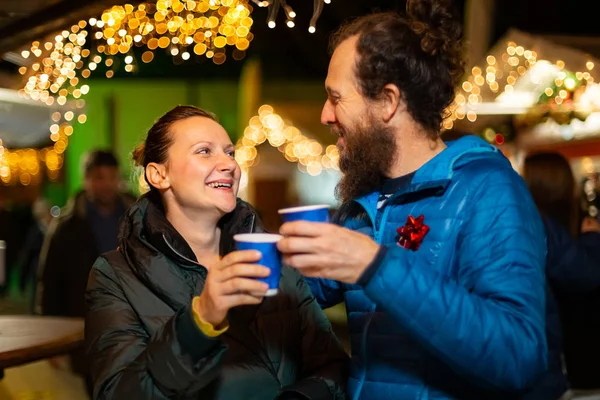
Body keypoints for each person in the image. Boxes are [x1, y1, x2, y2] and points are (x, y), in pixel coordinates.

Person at [277, 2, 549, 399]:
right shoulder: (367, 201)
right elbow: (304, 296)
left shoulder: (488, 190)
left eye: (335, 97)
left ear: (388, 102)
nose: (324, 115)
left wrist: (377, 266)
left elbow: (519, 356)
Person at [85, 105, 348, 399]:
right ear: (159, 175)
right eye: (204, 151)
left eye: (229, 153)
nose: (229, 164)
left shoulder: (273, 260)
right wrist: (200, 322)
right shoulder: (116, 276)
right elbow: (119, 394)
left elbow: (332, 367)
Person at [37, 149, 134, 393]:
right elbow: (50, 281)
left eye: (113, 177)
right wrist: (52, 340)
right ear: (87, 180)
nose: (108, 184)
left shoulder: (138, 216)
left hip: (134, 320)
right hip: (88, 325)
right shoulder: (68, 226)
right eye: (100, 177)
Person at [524, 152, 600, 395]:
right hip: (574, 362)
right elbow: (586, 273)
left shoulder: (535, 222)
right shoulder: (547, 225)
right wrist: (592, 239)